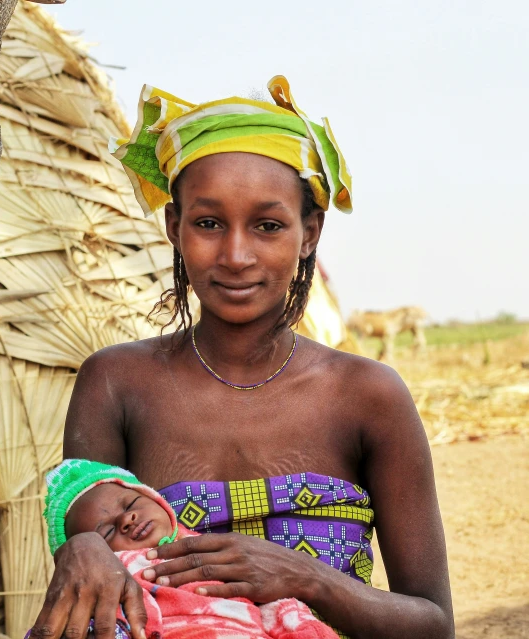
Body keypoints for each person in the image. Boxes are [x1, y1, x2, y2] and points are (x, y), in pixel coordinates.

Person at [30, 76, 454, 639]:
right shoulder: (115, 382)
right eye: (208, 223)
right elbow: (85, 523)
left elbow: (432, 624)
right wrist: (82, 545)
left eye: (268, 225)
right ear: (174, 227)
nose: (235, 254)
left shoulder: (367, 394)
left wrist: (308, 578)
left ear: (309, 234)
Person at [35, 459, 338, 639]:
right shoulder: (119, 575)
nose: (127, 519)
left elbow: (277, 606)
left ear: (156, 499)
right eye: (108, 531)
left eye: (131, 504)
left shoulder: (219, 552)